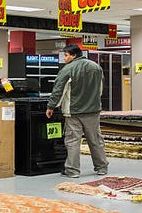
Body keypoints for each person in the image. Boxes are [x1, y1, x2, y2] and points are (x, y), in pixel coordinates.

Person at [46, 44, 108, 178]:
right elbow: (100, 88)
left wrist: (51, 106)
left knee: (73, 141)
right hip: (93, 110)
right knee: (96, 140)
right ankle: (102, 167)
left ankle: (73, 170)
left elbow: (58, 90)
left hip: (73, 112)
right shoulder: (96, 67)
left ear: (74, 55)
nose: (64, 58)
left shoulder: (68, 69)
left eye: (66, 55)